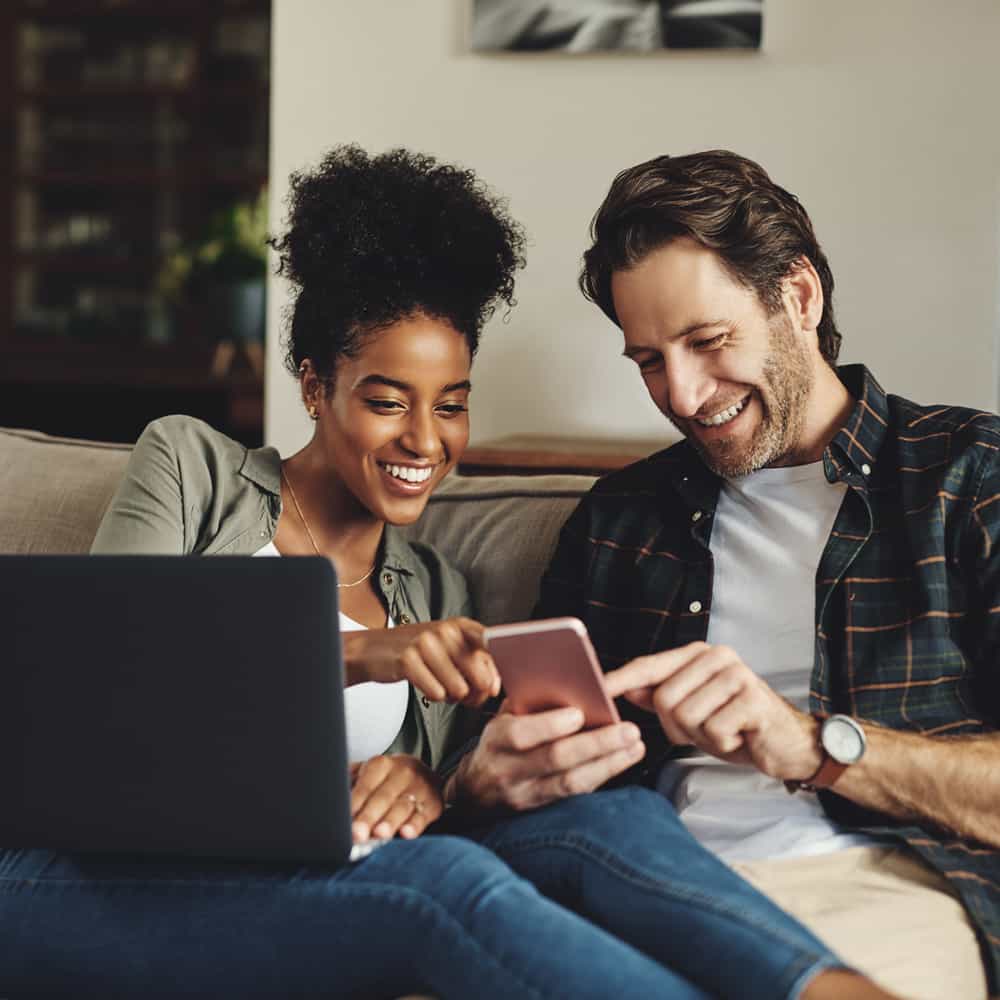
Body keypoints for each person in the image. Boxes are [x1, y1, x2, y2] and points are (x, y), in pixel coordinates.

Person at [0, 145, 896, 998]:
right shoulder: (191, 467)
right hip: (68, 874)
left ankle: (828, 987)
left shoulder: (434, 593)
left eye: (453, 406)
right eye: (387, 401)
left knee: (589, 827)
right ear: (315, 386)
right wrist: (360, 655)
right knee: (441, 886)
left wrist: (424, 785)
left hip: (294, 885)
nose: (425, 442)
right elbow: (109, 669)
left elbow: (420, 801)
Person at [447, 149, 997, 1000]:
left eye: (707, 341)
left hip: (880, 886)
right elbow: (492, 755)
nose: (684, 393)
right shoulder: (622, 517)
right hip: (636, 876)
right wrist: (484, 777)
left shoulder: (968, 478)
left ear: (799, 297)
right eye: (648, 361)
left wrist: (816, 745)